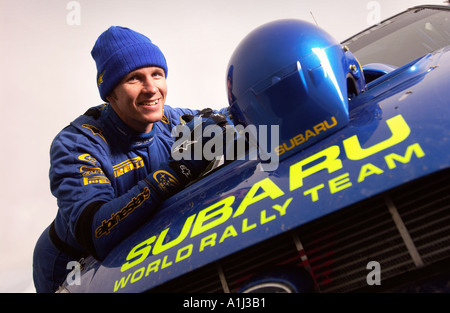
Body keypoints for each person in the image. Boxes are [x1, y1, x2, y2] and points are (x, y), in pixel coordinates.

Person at [32, 26, 229, 293]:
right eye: (134, 79)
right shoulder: (78, 143)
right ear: (110, 94)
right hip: (72, 264)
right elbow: (97, 232)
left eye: (157, 74)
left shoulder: (171, 119)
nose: (151, 89)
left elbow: (232, 118)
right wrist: (178, 170)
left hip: (141, 237)